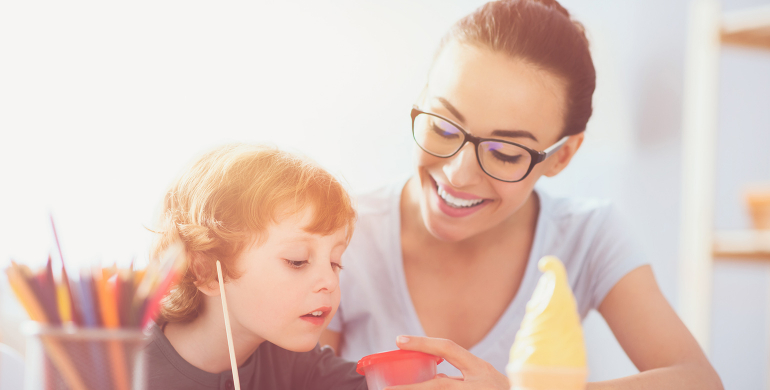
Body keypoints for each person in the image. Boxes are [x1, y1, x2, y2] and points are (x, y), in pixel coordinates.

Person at [321, 1, 724, 389]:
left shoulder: (587, 237)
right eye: (443, 128)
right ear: (421, 98)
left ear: (561, 156)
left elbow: (699, 381)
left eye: (504, 153)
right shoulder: (343, 231)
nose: (458, 174)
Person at [144, 144, 367, 390]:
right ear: (206, 271)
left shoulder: (296, 362)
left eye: (335, 262)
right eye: (297, 261)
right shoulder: (121, 368)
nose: (330, 281)